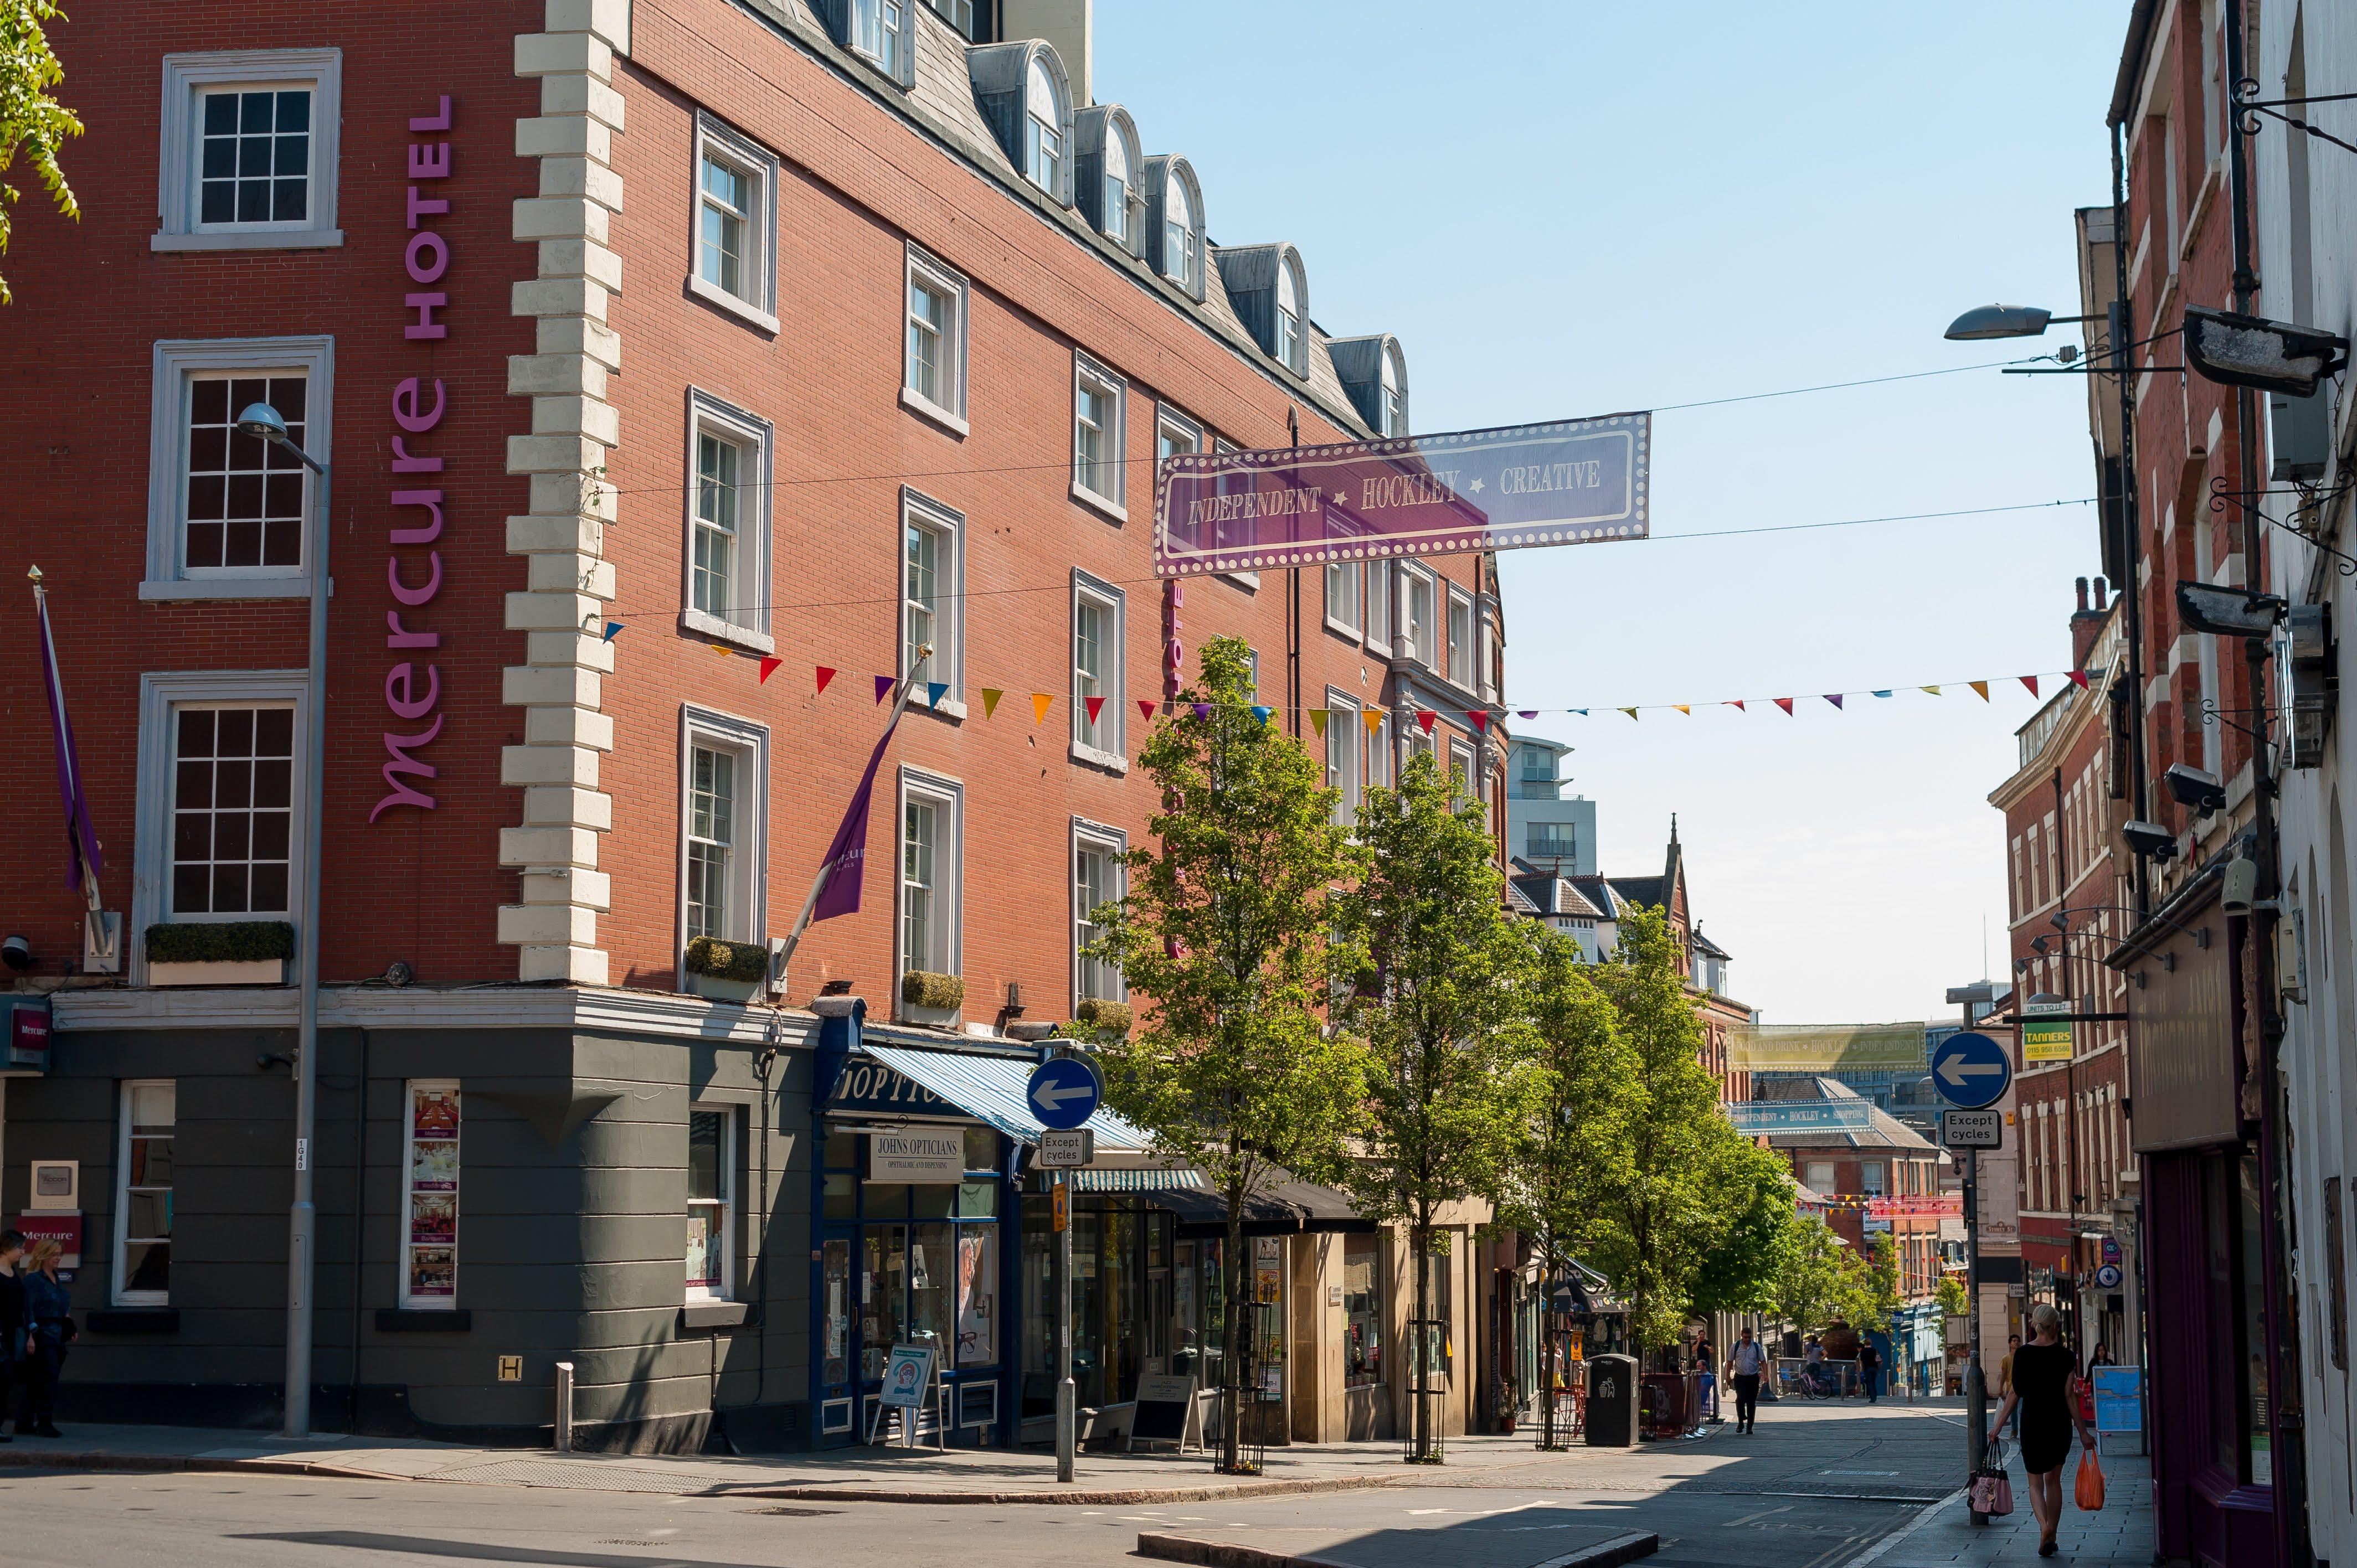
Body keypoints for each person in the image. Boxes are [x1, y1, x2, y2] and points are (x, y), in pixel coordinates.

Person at [1989, 1303, 2095, 1557]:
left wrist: (1998, 1426)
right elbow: (2069, 1396)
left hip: (2033, 1424)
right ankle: (2053, 1534)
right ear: (2056, 1326)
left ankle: (2044, 1528)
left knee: (2035, 1484)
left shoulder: (2022, 1355)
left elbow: (2014, 1393)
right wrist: (2083, 1433)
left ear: (2034, 1326)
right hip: (2058, 1425)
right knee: (2054, 1481)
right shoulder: (2067, 1356)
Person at [18, 1239, 70, 1438]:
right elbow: (27, 1309)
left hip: (58, 1335)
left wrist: (69, 1325)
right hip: (42, 1335)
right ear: (43, 1255)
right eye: (55, 1254)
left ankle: (24, 1422)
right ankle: (44, 1422)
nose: (58, 1258)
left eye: (60, 1254)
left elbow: (62, 1306)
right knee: (47, 1379)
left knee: (36, 1380)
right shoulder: (34, 1280)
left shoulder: (55, 1278)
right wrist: (30, 1337)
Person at [0, 1231, 21, 1442]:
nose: (23, 1252)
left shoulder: (14, 1272)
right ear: (6, 1248)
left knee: (6, 1379)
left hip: (10, 1334)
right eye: (20, 1248)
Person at [1726, 1326, 1767, 1433]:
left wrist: (1766, 1374)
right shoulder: (1736, 1346)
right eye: (1745, 1337)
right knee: (1740, 1398)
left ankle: (1749, 1426)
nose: (1747, 1339)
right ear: (1742, 1336)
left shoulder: (1757, 1347)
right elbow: (1730, 1361)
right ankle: (1741, 1421)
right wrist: (1727, 1376)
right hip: (1740, 1377)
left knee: (1751, 1402)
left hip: (1753, 1377)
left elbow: (1763, 1361)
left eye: (1749, 1337)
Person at [1998, 1334, 2023, 1436]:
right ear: (2010, 1344)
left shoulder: (2023, 1357)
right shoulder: (2006, 1359)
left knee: (2022, 1410)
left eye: (2017, 1341)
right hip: (2010, 1387)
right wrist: (2001, 1389)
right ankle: (2014, 1430)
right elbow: (2003, 1375)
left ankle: (2022, 1430)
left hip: (2023, 1387)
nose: (2016, 1342)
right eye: (2014, 1341)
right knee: (2012, 1410)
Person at [1692, 1329, 1718, 1421]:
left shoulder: (1707, 1342)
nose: (1702, 1336)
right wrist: (1698, 1342)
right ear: (1699, 1335)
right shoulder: (1697, 1342)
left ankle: (1708, 1383)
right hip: (1700, 1361)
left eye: (1703, 1334)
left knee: (1708, 1375)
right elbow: (1694, 1350)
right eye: (1701, 1335)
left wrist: (1708, 1347)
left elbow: (1713, 1351)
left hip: (1706, 1361)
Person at [1858, 1337, 1882, 1404]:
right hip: (1875, 1368)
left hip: (1867, 1368)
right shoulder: (1874, 1350)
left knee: (1869, 1383)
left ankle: (1873, 1398)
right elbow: (1878, 1359)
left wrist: (1862, 1369)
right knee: (1874, 1382)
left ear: (1865, 1343)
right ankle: (1875, 1396)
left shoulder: (1863, 1351)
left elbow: (1861, 1361)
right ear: (1870, 1343)